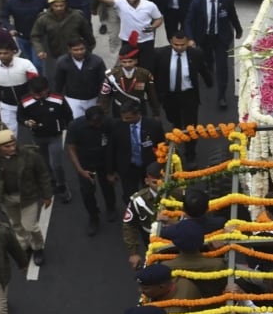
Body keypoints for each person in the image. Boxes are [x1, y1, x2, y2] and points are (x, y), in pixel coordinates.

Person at [0, 130, 53, 265]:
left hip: (28, 196)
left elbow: (43, 175)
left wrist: (47, 195)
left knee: (30, 226)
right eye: (7, 146)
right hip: (6, 198)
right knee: (17, 225)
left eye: (13, 144)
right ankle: (25, 245)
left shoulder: (29, 155)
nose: (12, 148)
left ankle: (37, 247)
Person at [185, 0, 242, 109]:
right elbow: (188, 21)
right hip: (203, 37)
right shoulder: (196, 2)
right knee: (207, 58)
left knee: (222, 67)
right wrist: (191, 38)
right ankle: (209, 67)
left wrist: (238, 29)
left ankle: (221, 95)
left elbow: (233, 15)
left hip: (221, 38)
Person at [155, 33, 213, 162]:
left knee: (190, 126)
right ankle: (177, 130)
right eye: (176, 45)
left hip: (189, 95)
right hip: (170, 95)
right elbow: (155, 73)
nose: (179, 48)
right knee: (173, 119)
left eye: (183, 45)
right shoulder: (160, 54)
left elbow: (203, 69)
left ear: (187, 43)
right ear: (171, 41)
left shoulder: (195, 54)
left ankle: (190, 153)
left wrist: (209, 81)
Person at [19, 76, 74, 204]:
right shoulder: (25, 101)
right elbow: (20, 117)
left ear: (46, 90)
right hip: (37, 136)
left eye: (40, 93)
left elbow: (68, 115)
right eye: (35, 94)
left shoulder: (58, 99)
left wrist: (64, 127)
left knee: (56, 164)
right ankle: (50, 181)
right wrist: (27, 122)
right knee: (43, 162)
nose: (37, 96)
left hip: (54, 136)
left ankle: (62, 185)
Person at [66, 106, 119, 234]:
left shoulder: (110, 123)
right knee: (87, 192)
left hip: (104, 161)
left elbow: (115, 145)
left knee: (108, 186)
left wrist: (113, 170)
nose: (97, 125)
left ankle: (111, 207)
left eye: (100, 122)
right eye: (94, 123)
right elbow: (71, 148)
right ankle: (93, 217)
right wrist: (79, 170)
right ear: (87, 120)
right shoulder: (75, 126)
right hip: (85, 164)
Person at [113, 100, 166, 201]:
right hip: (128, 167)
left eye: (128, 118)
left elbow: (161, 145)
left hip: (148, 166)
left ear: (138, 114)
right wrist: (110, 171)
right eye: (123, 117)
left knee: (152, 194)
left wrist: (162, 165)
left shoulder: (154, 125)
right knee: (129, 196)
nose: (124, 120)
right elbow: (112, 149)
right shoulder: (117, 126)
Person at [0, 43, 39, 133]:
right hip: (7, 105)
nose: (2, 56)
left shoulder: (25, 63)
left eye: (5, 53)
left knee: (35, 128)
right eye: (0, 53)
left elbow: (36, 81)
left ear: (12, 53)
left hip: (27, 103)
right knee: (9, 132)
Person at [100, 33, 160, 116]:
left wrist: (156, 113)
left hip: (138, 109)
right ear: (120, 62)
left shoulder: (145, 74)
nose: (127, 64)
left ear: (136, 61)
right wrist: (103, 113)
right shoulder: (112, 75)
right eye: (124, 62)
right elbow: (104, 96)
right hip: (119, 109)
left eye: (130, 61)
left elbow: (152, 95)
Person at [31, 0, 96, 69]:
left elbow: (87, 33)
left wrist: (89, 48)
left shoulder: (76, 16)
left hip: (75, 52)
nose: (59, 8)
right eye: (56, 6)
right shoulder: (43, 19)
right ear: (51, 6)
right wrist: (40, 50)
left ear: (66, 5)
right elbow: (35, 36)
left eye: (61, 5)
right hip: (56, 53)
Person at [52, 37, 107, 118]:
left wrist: (101, 100)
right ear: (69, 50)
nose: (79, 52)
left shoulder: (97, 61)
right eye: (76, 50)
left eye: (82, 49)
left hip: (93, 99)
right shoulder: (62, 62)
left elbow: (104, 81)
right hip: (73, 100)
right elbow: (58, 83)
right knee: (76, 123)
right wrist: (57, 100)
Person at [123, 163, 163, 268]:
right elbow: (129, 225)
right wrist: (133, 253)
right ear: (147, 181)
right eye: (155, 183)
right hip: (151, 241)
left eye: (163, 182)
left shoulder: (179, 195)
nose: (160, 187)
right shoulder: (138, 201)